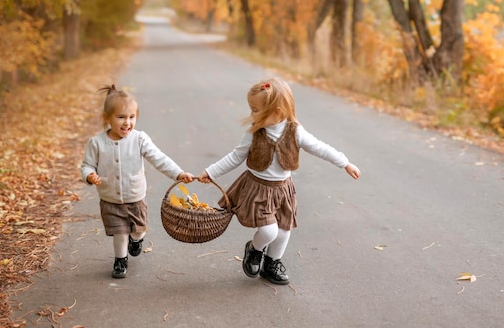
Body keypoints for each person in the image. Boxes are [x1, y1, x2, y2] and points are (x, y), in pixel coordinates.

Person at [198, 78, 360, 285]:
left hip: (283, 190)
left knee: (284, 229)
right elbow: (235, 157)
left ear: (277, 111)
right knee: (268, 230)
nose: (251, 115)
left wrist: (344, 163)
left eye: (256, 110)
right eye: (251, 109)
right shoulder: (253, 134)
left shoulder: (295, 131)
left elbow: (320, 147)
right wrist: (210, 172)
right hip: (258, 189)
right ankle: (255, 249)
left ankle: (272, 262)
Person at [81, 84, 193, 278]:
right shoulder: (97, 143)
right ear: (107, 118)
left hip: (135, 198)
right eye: (121, 117)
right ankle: (120, 261)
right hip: (110, 199)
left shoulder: (139, 139)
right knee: (120, 233)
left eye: (132, 117)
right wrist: (90, 175)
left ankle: (137, 240)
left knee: (137, 231)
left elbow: (159, 158)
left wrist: (178, 173)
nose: (127, 123)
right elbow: (87, 165)